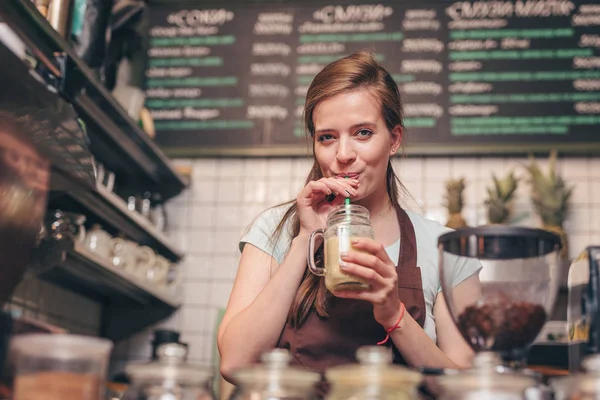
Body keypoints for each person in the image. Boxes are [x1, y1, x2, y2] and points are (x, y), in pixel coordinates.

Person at [217, 51, 481, 381]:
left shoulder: (445, 249)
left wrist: (394, 314)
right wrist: (304, 241)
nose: (343, 155)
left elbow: (465, 388)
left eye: (363, 133)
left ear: (394, 139)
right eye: (327, 137)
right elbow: (234, 364)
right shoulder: (275, 229)